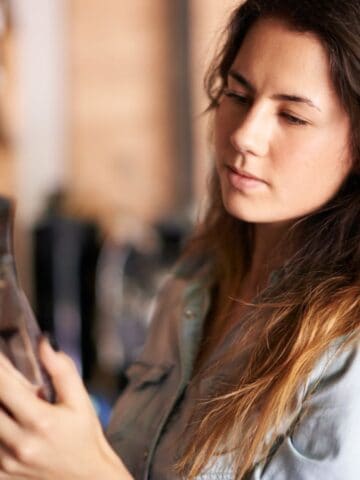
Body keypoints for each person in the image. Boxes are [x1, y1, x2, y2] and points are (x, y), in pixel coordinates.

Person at [0, 0, 359, 478]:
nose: (245, 136)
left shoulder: (348, 354)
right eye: (237, 94)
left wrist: (86, 469)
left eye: (292, 116)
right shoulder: (195, 281)